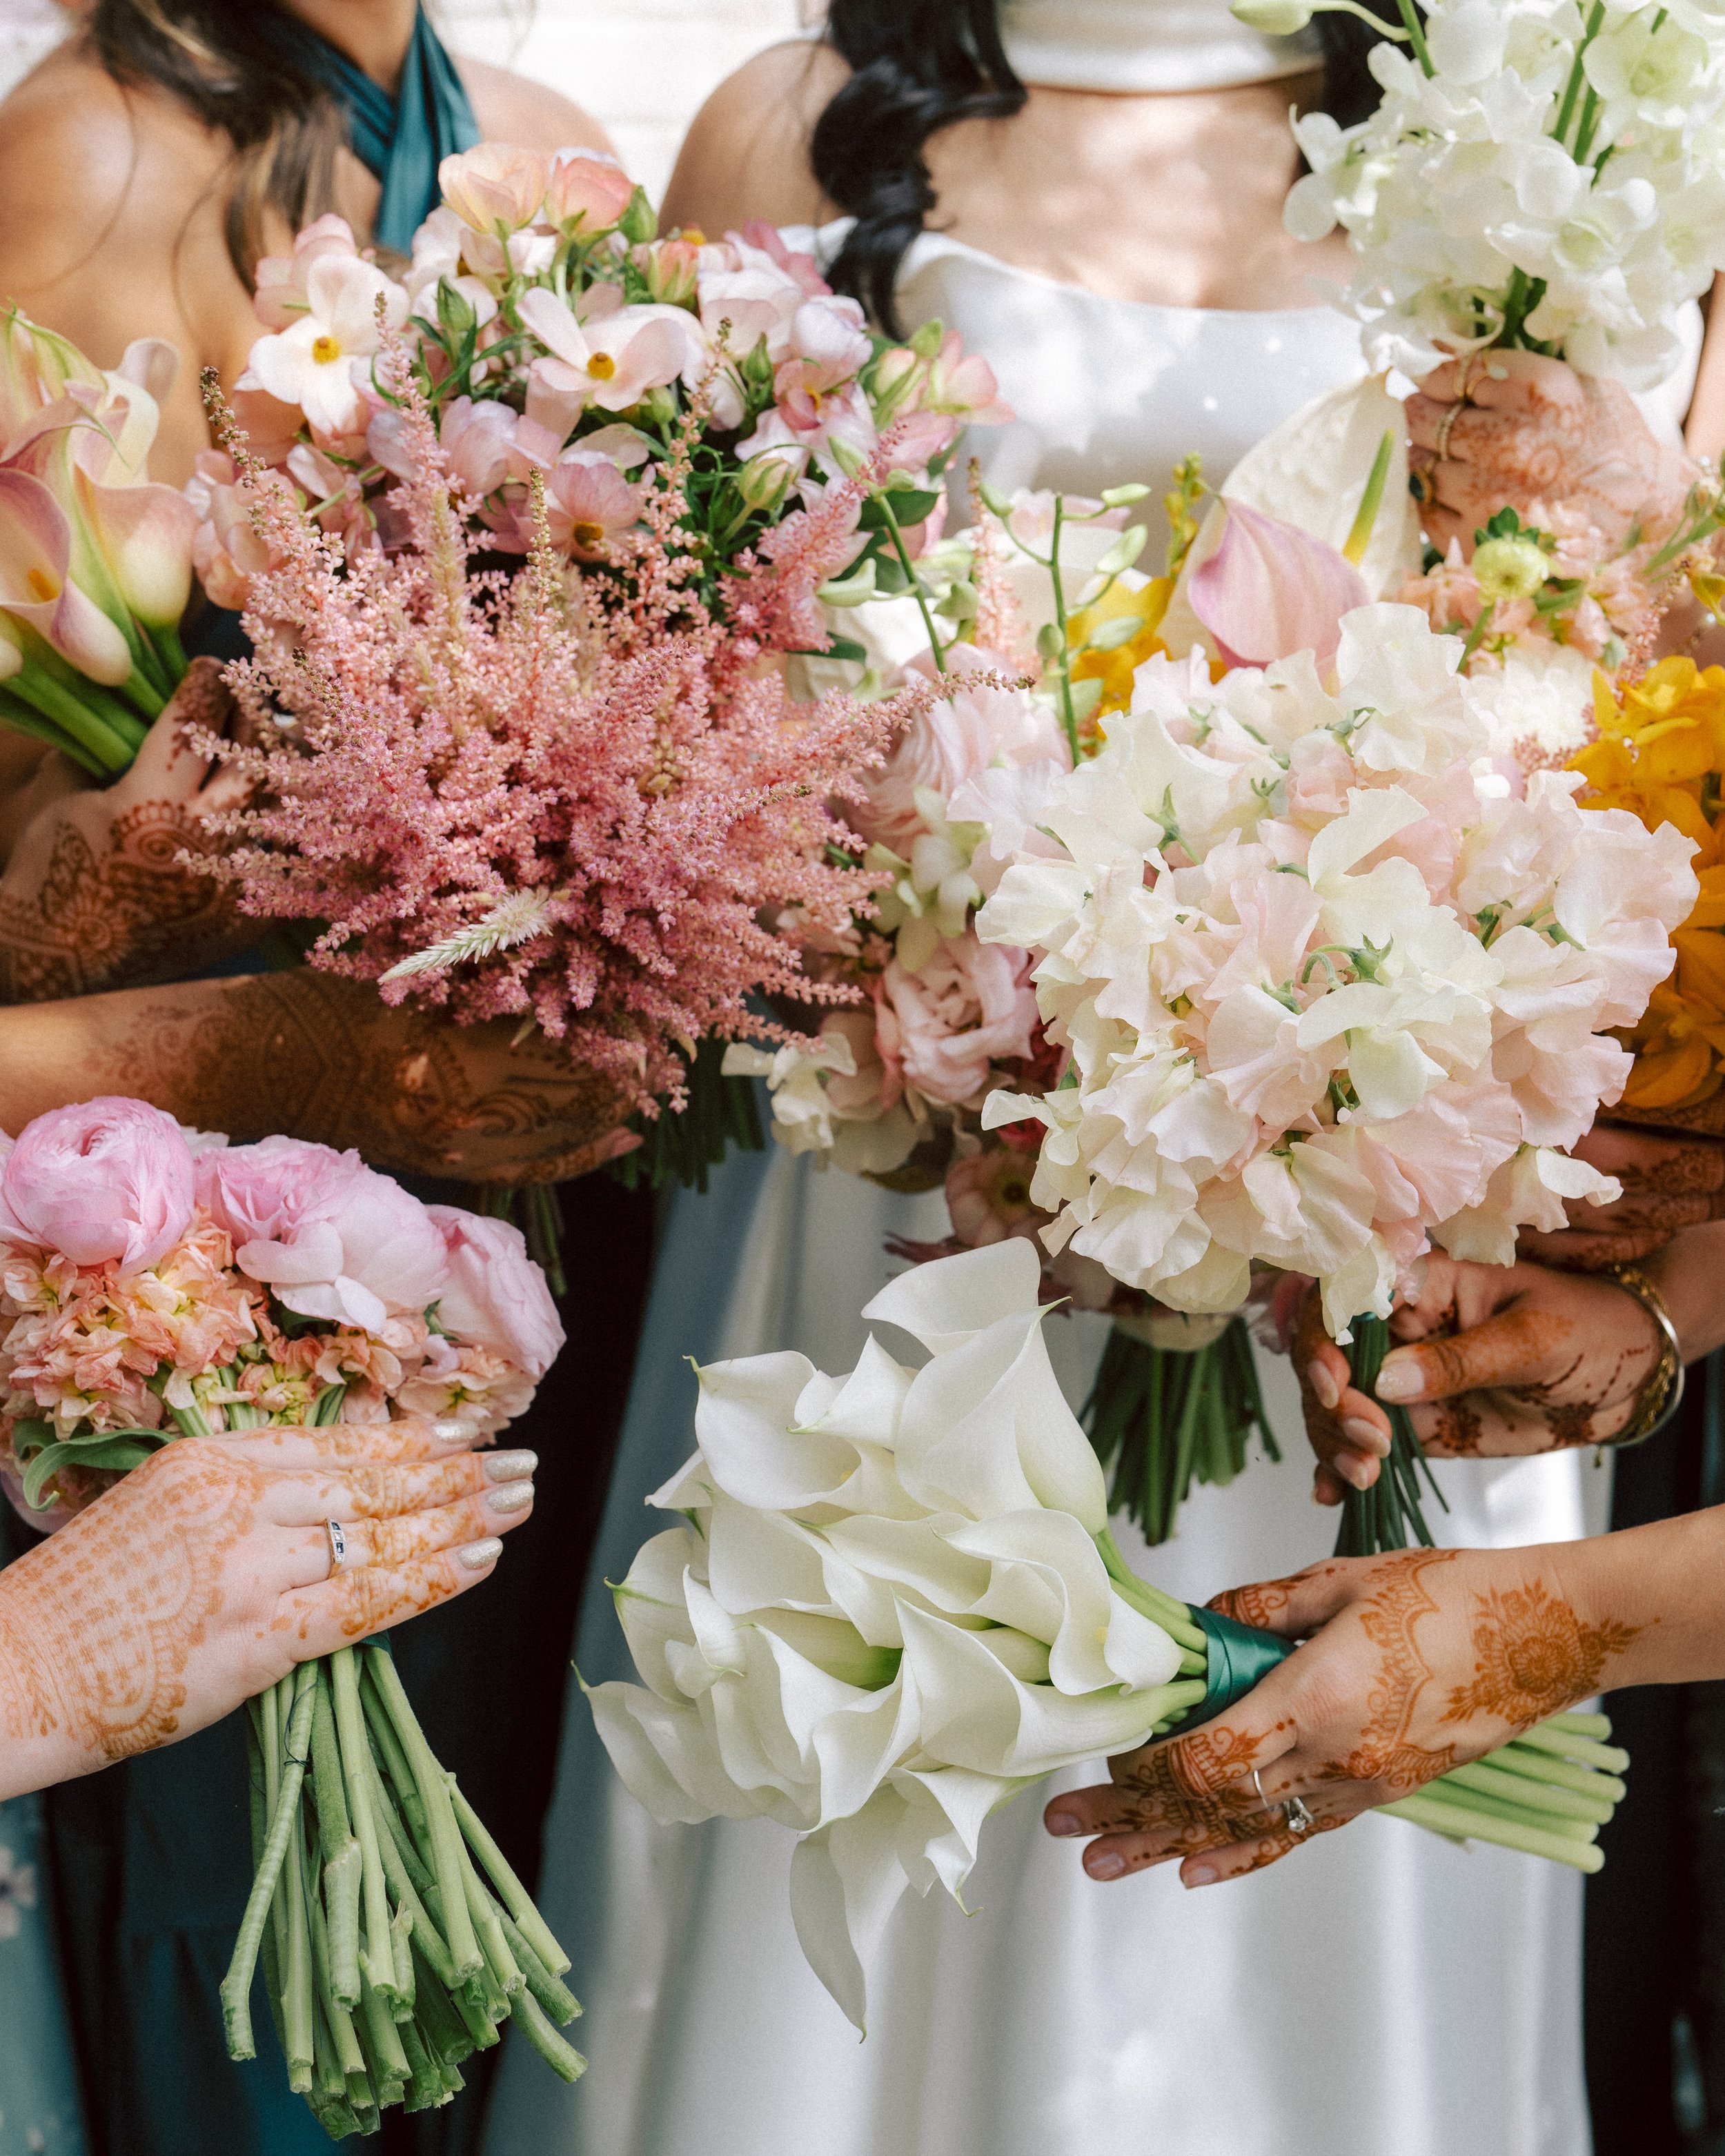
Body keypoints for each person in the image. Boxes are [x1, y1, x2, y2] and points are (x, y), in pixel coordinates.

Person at [485, 7, 1713, 2156]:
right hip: (895, 1161)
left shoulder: (1549, 137)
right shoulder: (794, 117)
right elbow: (667, 660)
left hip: (1389, 1166)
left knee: (1345, 1793)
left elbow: (1662, 682)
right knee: (849, 1797)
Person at [0, 12, 655, 2155]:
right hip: (191, 1264)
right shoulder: (92, 153)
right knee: (240, 1957)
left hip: (516, 1232)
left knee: (501, 1851)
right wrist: (217, 960)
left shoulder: (547, 160)